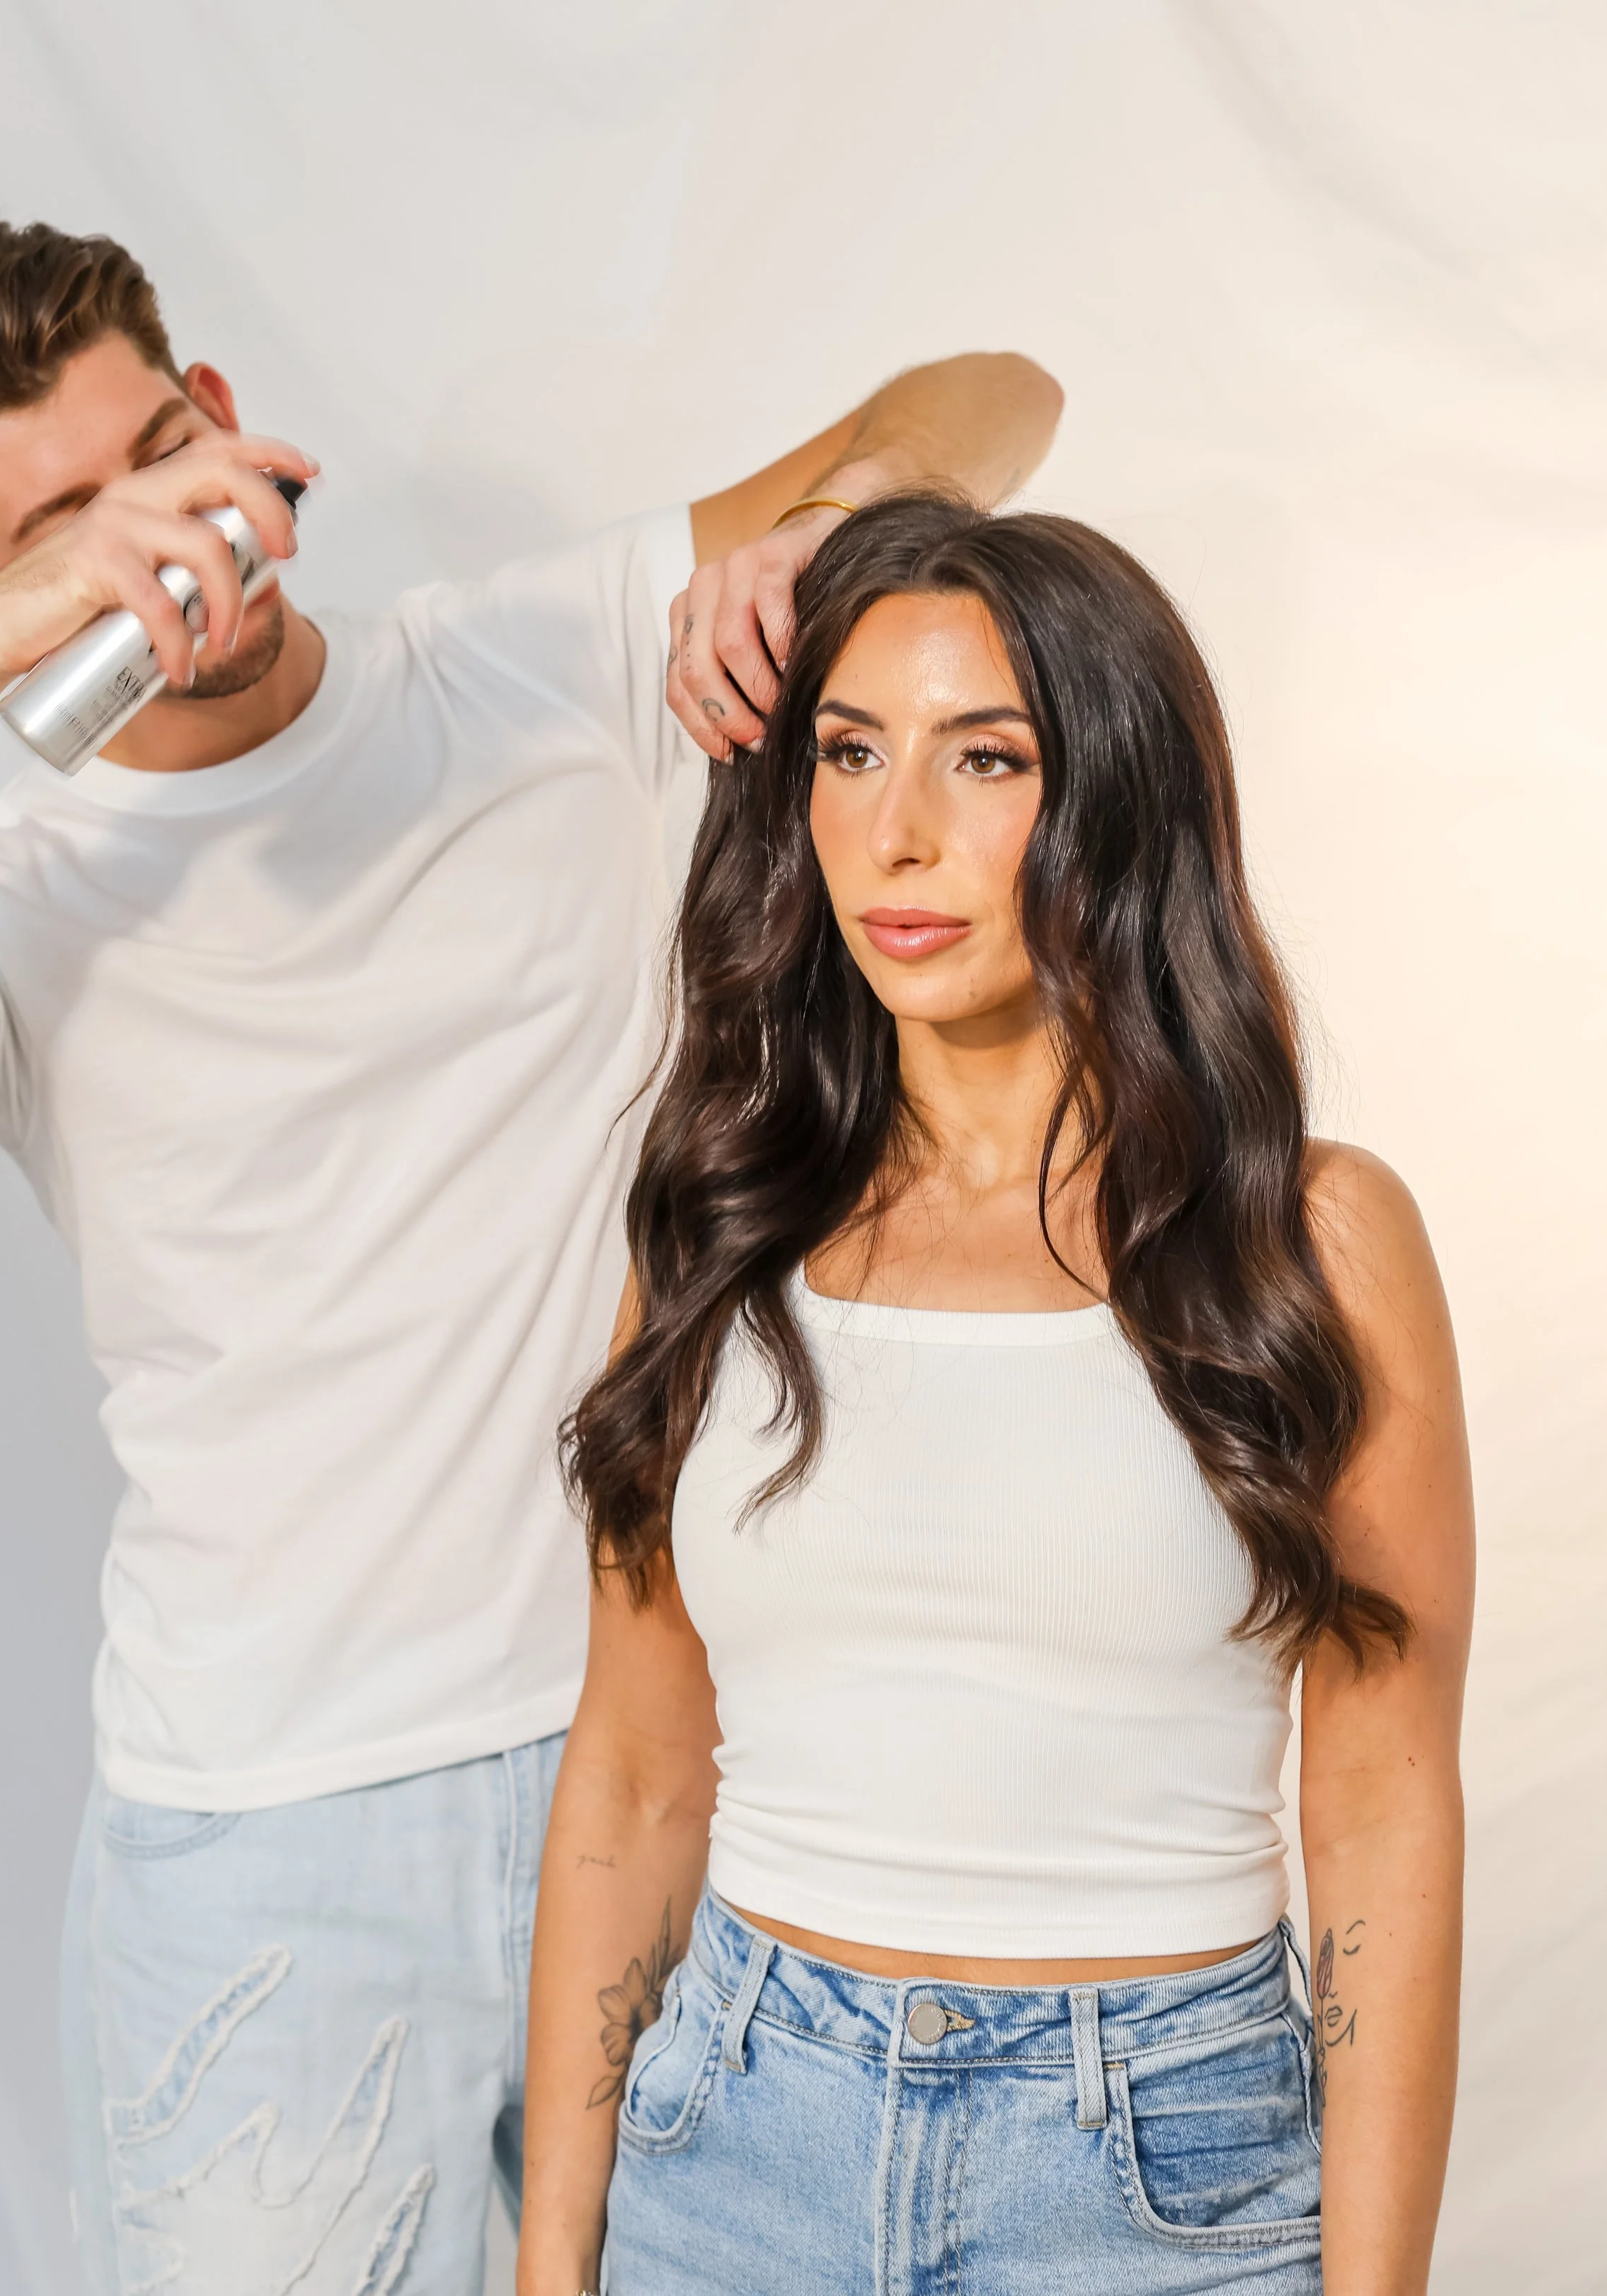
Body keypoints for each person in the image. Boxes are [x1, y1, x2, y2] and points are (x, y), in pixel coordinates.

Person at [0, 222, 1064, 2295]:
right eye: (81, 528)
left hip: (684, 1760)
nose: (177, 542)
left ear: (225, 418)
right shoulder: (1, 904)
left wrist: (832, 531)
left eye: (172, 453)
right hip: (268, 1845)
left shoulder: (536, 653)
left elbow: (993, 393)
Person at [519, 495, 1473, 2295]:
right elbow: (636, 1772)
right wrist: (548, 2261)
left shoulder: (1308, 1240)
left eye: (986, 758)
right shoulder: (726, 1224)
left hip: (1155, 2170)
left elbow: (1379, 1806)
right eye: (848, 750)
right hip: (729, 2143)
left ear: (1115, 795)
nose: (896, 831)